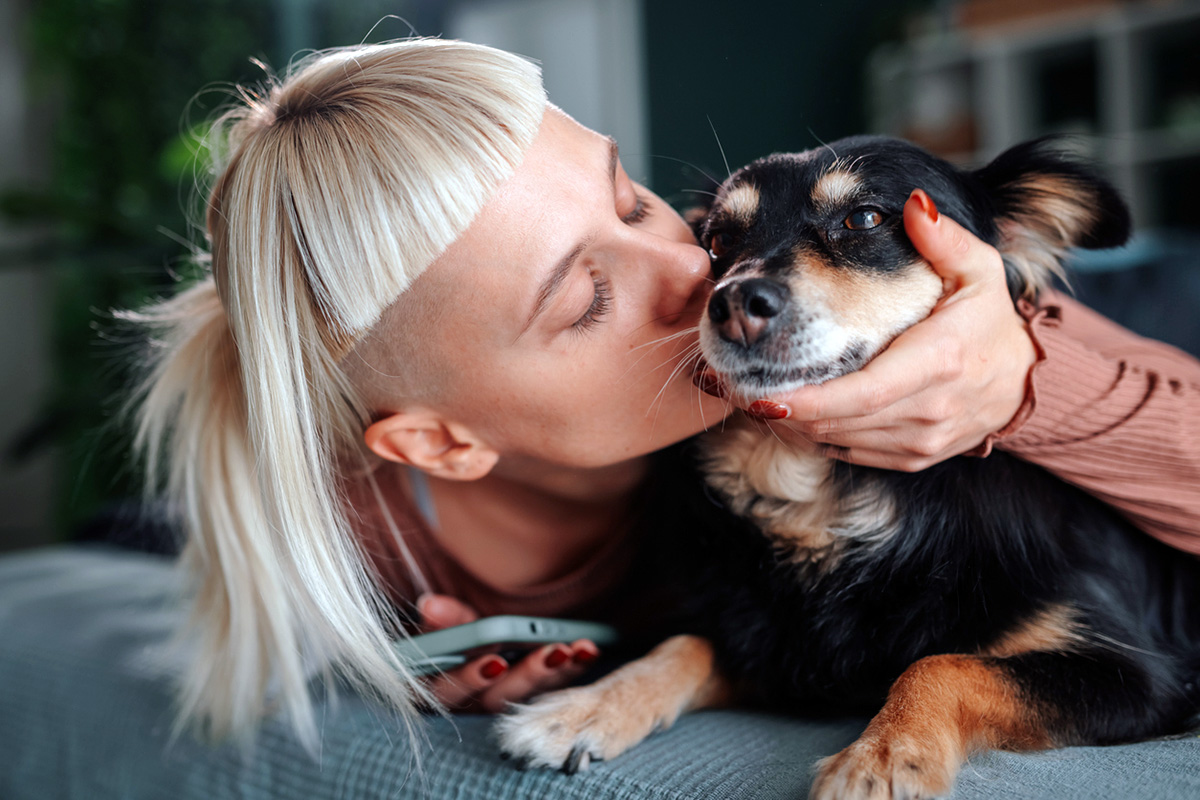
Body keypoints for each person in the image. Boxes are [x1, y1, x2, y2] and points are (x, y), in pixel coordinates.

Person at [126, 38, 1200, 751]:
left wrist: (1021, 382)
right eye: (588, 296)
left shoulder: (939, 315)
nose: (709, 275)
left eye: (638, 203)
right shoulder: (359, 535)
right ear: (443, 443)